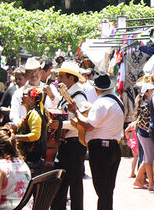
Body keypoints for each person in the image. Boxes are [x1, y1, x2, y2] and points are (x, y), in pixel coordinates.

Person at [68, 71, 124, 210]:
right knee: (107, 190)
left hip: (100, 149)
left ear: (96, 88)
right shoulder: (118, 101)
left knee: (102, 189)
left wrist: (75, 112)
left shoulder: (101, 103)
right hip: (113, 147)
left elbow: (89, 125)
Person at [50, 62, 88, 210]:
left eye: (61, 76)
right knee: (61, 181)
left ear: (71, 79)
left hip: (74, 144)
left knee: (75, 184)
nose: (58, 79)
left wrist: (60, 125)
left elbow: (81, 122)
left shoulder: (79, 96)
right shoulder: (67, 94)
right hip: (66, 144)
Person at [12, 87, 48, 177]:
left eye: (24, 94)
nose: (21, 97)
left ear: (32, 98)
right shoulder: (32, 112)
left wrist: (15, 137)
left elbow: (35, 135)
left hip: (33, 160)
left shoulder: (34, 114)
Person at [10, 57, 56, 125]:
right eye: (30, 72)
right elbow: (14, 115)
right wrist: (21, 126)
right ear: (26, 74)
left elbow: (57, 106)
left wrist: (51, 95)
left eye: (36, 71)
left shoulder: (50, 88)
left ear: (41, 72)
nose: (33, 74)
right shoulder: (19, 93)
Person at [132, 81, 154, 190]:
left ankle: (139, 180)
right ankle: (148, 182)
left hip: (143, 133)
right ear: (146, 92)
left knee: (147, 158)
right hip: (145, 134)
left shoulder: (145, 103)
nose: (153, 91)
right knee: (148, 159)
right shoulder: (147, 105)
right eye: (151, 90)